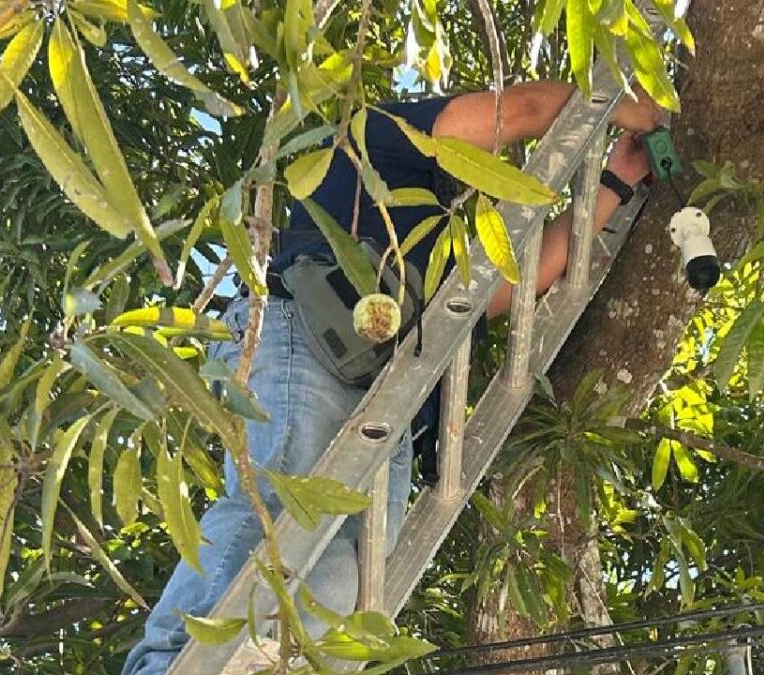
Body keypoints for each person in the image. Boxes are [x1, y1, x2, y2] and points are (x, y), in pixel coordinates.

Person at [122, 79, 662, 674]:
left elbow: (518, 282)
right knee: (283, 501)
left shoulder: (443, 251)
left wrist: (614, 180)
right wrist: (633, 107)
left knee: (346, 573)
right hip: (311, 331)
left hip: (393, 394)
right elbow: (529, 110)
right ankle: (173, 662)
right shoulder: (376, 139)